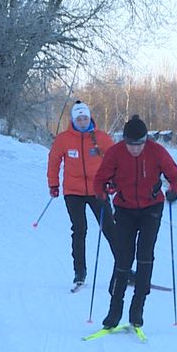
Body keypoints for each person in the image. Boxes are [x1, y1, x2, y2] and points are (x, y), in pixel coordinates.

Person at [93, 115, 177, 329]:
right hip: (124, 208)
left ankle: (137, 309)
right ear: (124, 141)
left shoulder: (157, 152)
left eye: (139, 144)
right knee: (124, 257)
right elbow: (99, 179)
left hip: (151, 208)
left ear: (145, 140)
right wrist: (101, 192)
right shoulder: (115, 152)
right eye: (131, 144)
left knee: (145, 256)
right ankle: (114, 311)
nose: (135, 149)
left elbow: (176, 178)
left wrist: (173, 192)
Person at [47, 100, 117, 289]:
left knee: (110, 228)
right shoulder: (64, 139)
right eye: (79, 118)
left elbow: (114, 160)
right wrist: (53, 184)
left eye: (85, 117)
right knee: (79, 229)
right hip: (73, 192)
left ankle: (124, 269)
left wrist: (113, 182)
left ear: (90, 118)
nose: (83, 121)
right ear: (73, 119)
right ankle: (80, 271)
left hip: (97, 190)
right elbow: (54, 161)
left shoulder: (101, 138)